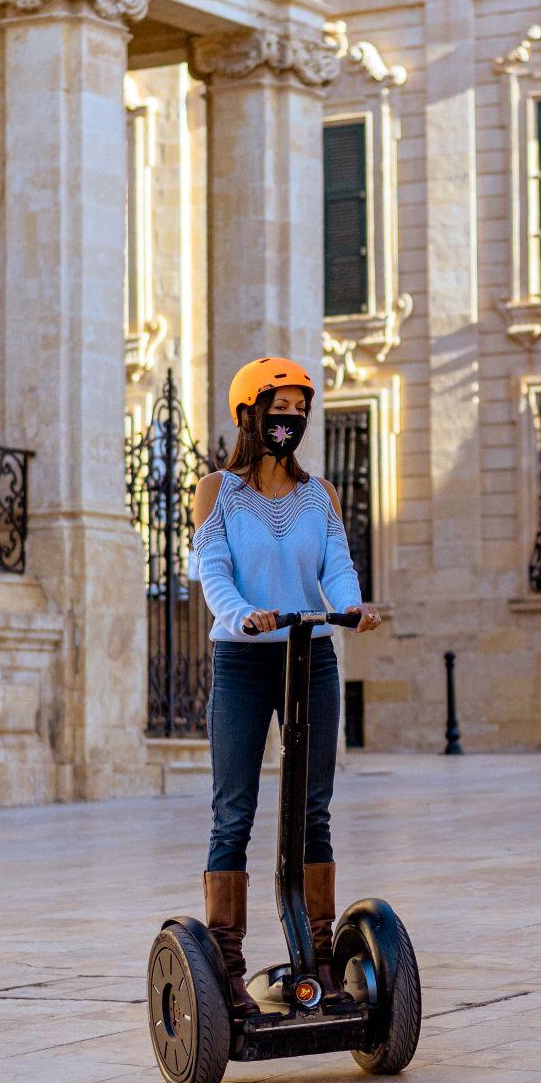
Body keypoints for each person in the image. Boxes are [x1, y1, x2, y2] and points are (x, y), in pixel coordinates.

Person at [190, 358, 382, 1014]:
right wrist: (240, 611)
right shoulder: (218, 491)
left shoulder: (317, 494)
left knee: (312, 811)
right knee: (233, 812)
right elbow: (210, 569)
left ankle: (319, 958)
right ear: (248, 414)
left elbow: (338, 566)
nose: (289, 422)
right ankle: (227, 961)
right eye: (278, 410)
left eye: (299, 411)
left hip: (311, 657)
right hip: (242, 658)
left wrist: (352, 607)